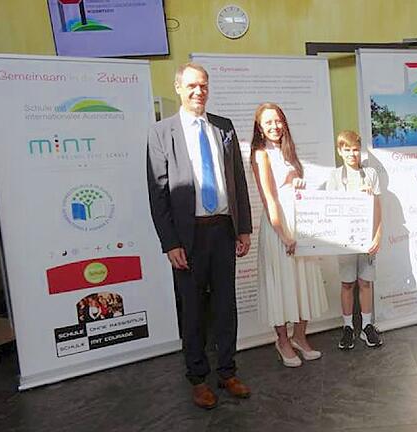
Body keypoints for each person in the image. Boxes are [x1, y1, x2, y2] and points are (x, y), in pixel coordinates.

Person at [147, 62, 252, 409]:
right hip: (188, 238)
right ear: (178, 87)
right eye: (192, 85)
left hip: (223, 230)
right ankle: (197, 378)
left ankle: (227, 372)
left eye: (204, 85)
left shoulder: (224, 127)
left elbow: (237, 181)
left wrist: (244, 228)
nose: (199, 91)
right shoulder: (162, 133)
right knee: (192, 311)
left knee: (226, 307)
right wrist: (170, 243)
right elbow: (158, 193)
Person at [250, 102, 328, 367]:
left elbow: (295, 188)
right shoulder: (261, 155)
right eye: (268, 122)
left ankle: (300, 337)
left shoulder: (289, 152)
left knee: (302, 282)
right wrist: (282, 235)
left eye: (278, 120)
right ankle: (282, 340)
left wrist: (298, 183)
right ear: (260, 128)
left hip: (300, 225)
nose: (274, 126)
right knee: (280, 284)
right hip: (278, 229)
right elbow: (270, 198)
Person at [325, 130, 383, 349]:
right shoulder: (334, 177)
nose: (352, 154)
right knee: (347, 283)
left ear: (361, 151)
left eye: (355, 149)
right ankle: (348, 326)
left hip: (366, 238)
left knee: (365, 282)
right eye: (347, 150)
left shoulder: (370, 174)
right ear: (340, 151)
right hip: (345, 240)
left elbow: (377, 207)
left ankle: (366, 326)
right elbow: (330, 209)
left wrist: (377, 235)